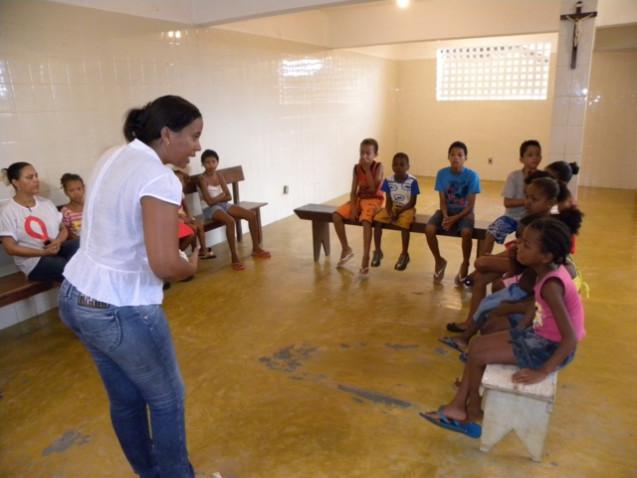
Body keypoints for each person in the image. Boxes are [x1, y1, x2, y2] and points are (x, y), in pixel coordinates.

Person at [58, 95, 202, 477]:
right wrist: (190, 268)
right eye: (193, 136)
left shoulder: (114, 155)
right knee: (168, 399)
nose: (198, 146)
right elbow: (165, 263)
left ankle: (150, 473)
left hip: (76, 296)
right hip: (119, 308)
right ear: (168, 134)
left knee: (126, 400)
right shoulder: (159, 177)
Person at [421, 217, 585, 438]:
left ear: (546, 255)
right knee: (477, 345)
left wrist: (542, 371)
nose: (518, 245)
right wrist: (521, 329)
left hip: (548, 348)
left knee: (477, 354)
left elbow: (570, 337)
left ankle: (469, 409)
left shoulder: (551, 285)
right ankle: (462, 407)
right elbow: (535, 307)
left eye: (526, 245)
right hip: (539, 336)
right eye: (521, 240)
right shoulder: (546, 271)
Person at [0, 162, 79, 283]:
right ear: (15, 182)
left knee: (80, 246)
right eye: (30, 177)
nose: (36, 180)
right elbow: (10, 248)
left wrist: (58, 241)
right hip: (33, 260)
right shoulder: (7, 210)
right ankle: (81, 298)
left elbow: (63, 229)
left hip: (56, 250)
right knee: (65, 266)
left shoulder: (46, 203)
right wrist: (43, 252)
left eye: (36, 176)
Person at [198, 149, 270, 271]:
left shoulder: (219, 175)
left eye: (213, 162)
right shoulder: (202, 178)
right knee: (230, 221)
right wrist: (222, 196)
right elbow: (209, 202)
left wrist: (220, 197)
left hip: (223, 205)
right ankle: (234, 257)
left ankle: (256, 249)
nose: (211, 165)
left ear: (217, 162)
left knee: (251, 215)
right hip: (209, 210)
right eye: (207, 162)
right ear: (203, 164)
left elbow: (229, 196)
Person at [425, 141, 480, 285]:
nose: (456, 157)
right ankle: (439, 260)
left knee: (467, 233)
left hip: (464, 213)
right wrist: (445, 216)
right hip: (447, 211)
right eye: (453, 154)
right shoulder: (442, 174)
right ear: (448, 157)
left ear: (465, 158)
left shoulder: (472, 176)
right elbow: (442, 201)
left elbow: (470, 206)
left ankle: (465, 263)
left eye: (460, 155)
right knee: (429, 229)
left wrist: (455, 219)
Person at [333, 138, 384, 278]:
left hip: (374, 200)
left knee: (366, 221)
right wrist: (354, 207)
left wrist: (367, 170)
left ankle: (365, 258)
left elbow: (374, 189)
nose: (364, 156)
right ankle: (346, 248)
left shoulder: (378, 167)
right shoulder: (356, 168)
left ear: (375, 154)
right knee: (336, 216)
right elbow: (353, 190)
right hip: (360, 199)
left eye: (368, 153)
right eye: (362, 152)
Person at [480, 140, 542, 256]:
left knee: (528, 240)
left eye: (538, 154)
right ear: (521, 159)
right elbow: (507, 202)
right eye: (530, 155)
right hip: (511, 217)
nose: (535, 158)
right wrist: (526, 201)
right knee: (490, 233)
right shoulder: (514, 177)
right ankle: (483, 261)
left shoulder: (542, 178)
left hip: (531, 219)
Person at [371, 152, 420, 271]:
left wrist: (399, 212)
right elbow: (388, 201)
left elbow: (412, 202)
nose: (398, 167)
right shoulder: (388, 181)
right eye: (395, 165)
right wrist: (390, 212)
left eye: (402, 165)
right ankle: (378, 251)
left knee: (404, 225)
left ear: (408, 167)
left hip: (407, 208)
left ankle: (404, 254)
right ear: (392, 166)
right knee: (377, 220)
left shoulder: (413, 181)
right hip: (393, 207)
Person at [174, 169, 215, 259]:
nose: (179, 183)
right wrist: (185, 219)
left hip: (184, 217)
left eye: (181, 180)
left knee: (199, 225)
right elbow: (173, 212)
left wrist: (190, 217)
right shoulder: (171, 193)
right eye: (177, 180)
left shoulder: (180, 193)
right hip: (177, 219)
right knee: (193, 229)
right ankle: (179, 252)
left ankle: (202, 250)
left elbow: (186, 207)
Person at [60, 173, 85, 240]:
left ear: (84, 189)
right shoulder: (66, 212)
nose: (76, 193)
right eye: (71, 190)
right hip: (77, 243)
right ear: (66, 192)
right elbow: (66, 232)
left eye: (79, 189)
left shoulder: (89, 206)